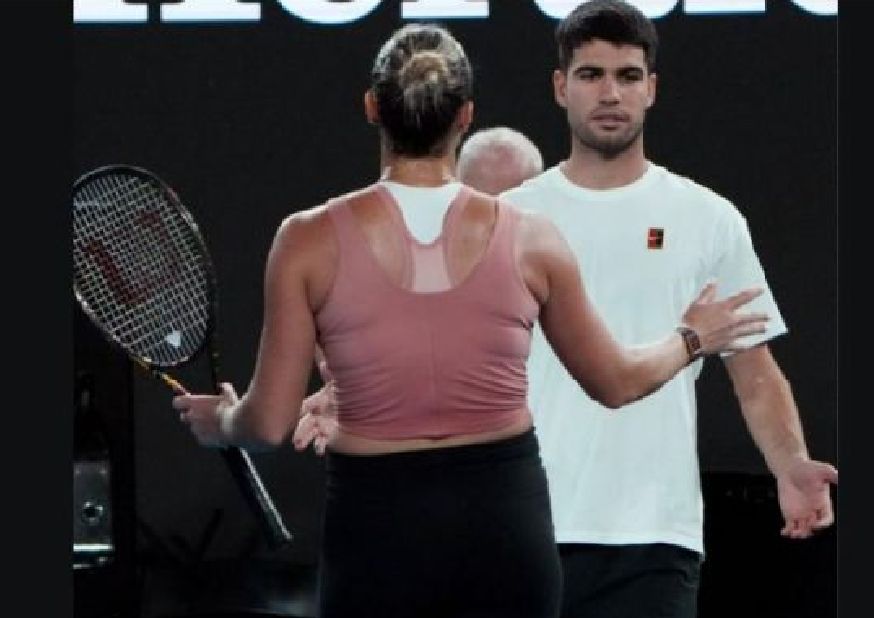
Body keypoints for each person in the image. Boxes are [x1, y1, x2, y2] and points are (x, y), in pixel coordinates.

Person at [170, 22, 769, 618]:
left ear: (373, 107)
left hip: (377, 531)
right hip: (503, 528)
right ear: (465, 116)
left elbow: (267, 424)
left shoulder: (306, 240)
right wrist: (692, 337)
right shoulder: (532, 238)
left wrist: (221, 419)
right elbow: (616, 382)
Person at [497, 2, 839, 617]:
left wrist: (789, 463)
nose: (610, 93)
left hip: (655, 537)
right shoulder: (510, 217)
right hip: (523, 530)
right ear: (560, 87)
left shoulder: (707, 218)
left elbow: (754, 372)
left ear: (651, 89)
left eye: (628, 76)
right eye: (591, 75)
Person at [292, 125, 546, 453]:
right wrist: (354, 404)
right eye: (484, 205)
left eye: (512, 207)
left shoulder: (561, 279)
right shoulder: (405, 294)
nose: (497, 224)